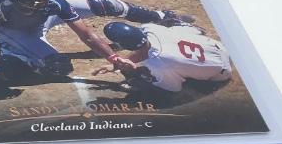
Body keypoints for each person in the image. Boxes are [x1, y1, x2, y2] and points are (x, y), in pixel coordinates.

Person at [0, 0, 190, 92]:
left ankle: (159, 16)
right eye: (29, 2)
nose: (38, 3)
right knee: (58, 67)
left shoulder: (50, 2)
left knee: (105, 5)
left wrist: (114, 59)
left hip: (42, 21)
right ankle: (13, 52)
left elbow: (86, 35)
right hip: (14, 31)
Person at [94, 20, 233, 94]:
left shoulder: (159, 65)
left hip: (221, 73)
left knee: (148, 80)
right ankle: (189, 27)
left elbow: (173, 88)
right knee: (170, 25)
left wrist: (134, 71)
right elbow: (145, 48)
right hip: (220, 47)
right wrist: (117, 64)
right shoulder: (150, 28)